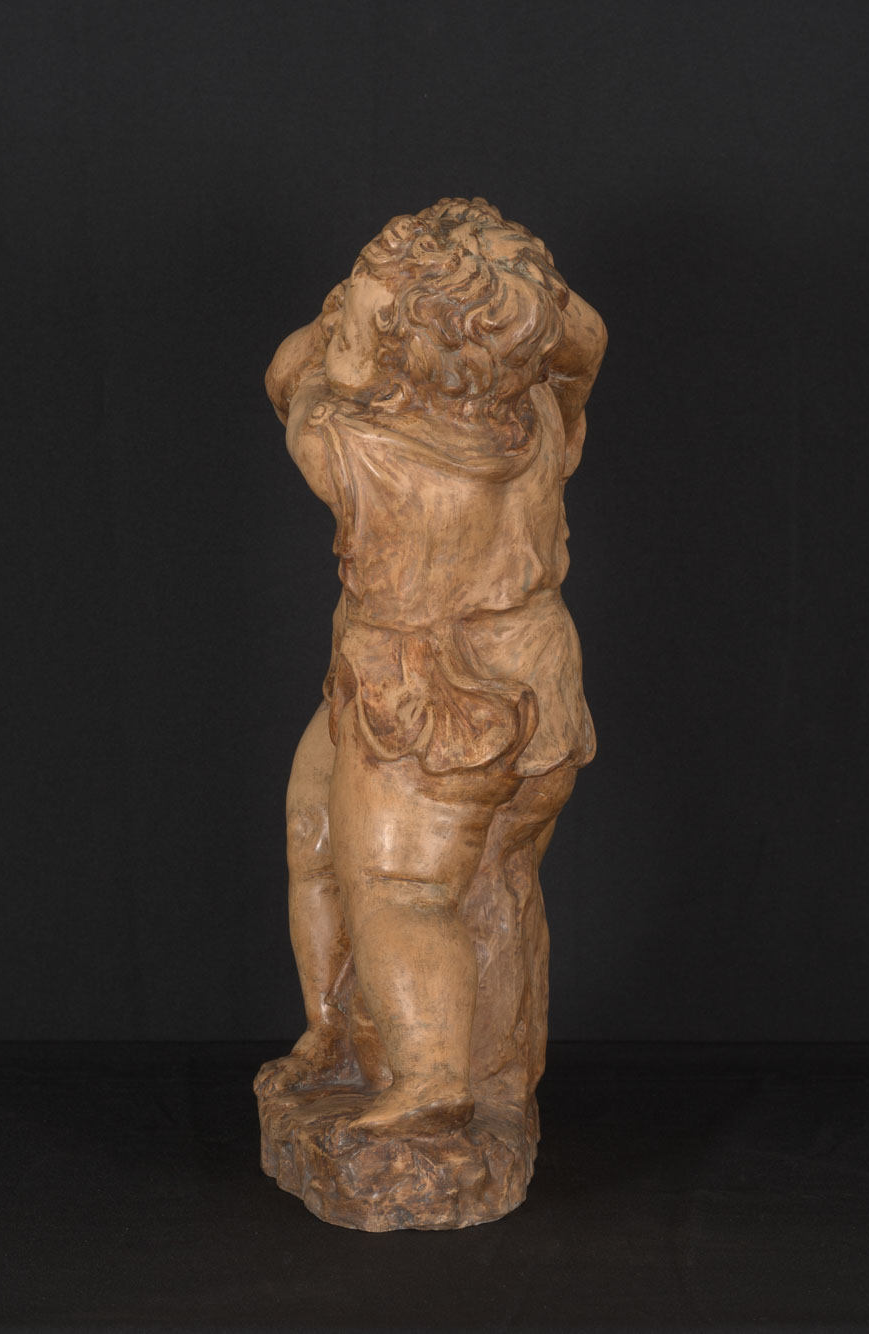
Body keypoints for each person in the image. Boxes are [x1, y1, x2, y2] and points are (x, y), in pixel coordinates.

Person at [254, 198, 606, 1137]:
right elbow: (582, 339)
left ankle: (431, 1080)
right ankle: (336, 1030)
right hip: (531, 680)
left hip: (425, 700)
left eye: (371, 309)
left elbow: (293, 375)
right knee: (317, 828)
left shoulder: (352, 446)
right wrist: (499, 295)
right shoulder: (541, 409)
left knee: (404, 891)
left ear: (400, 345)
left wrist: (351, 311)